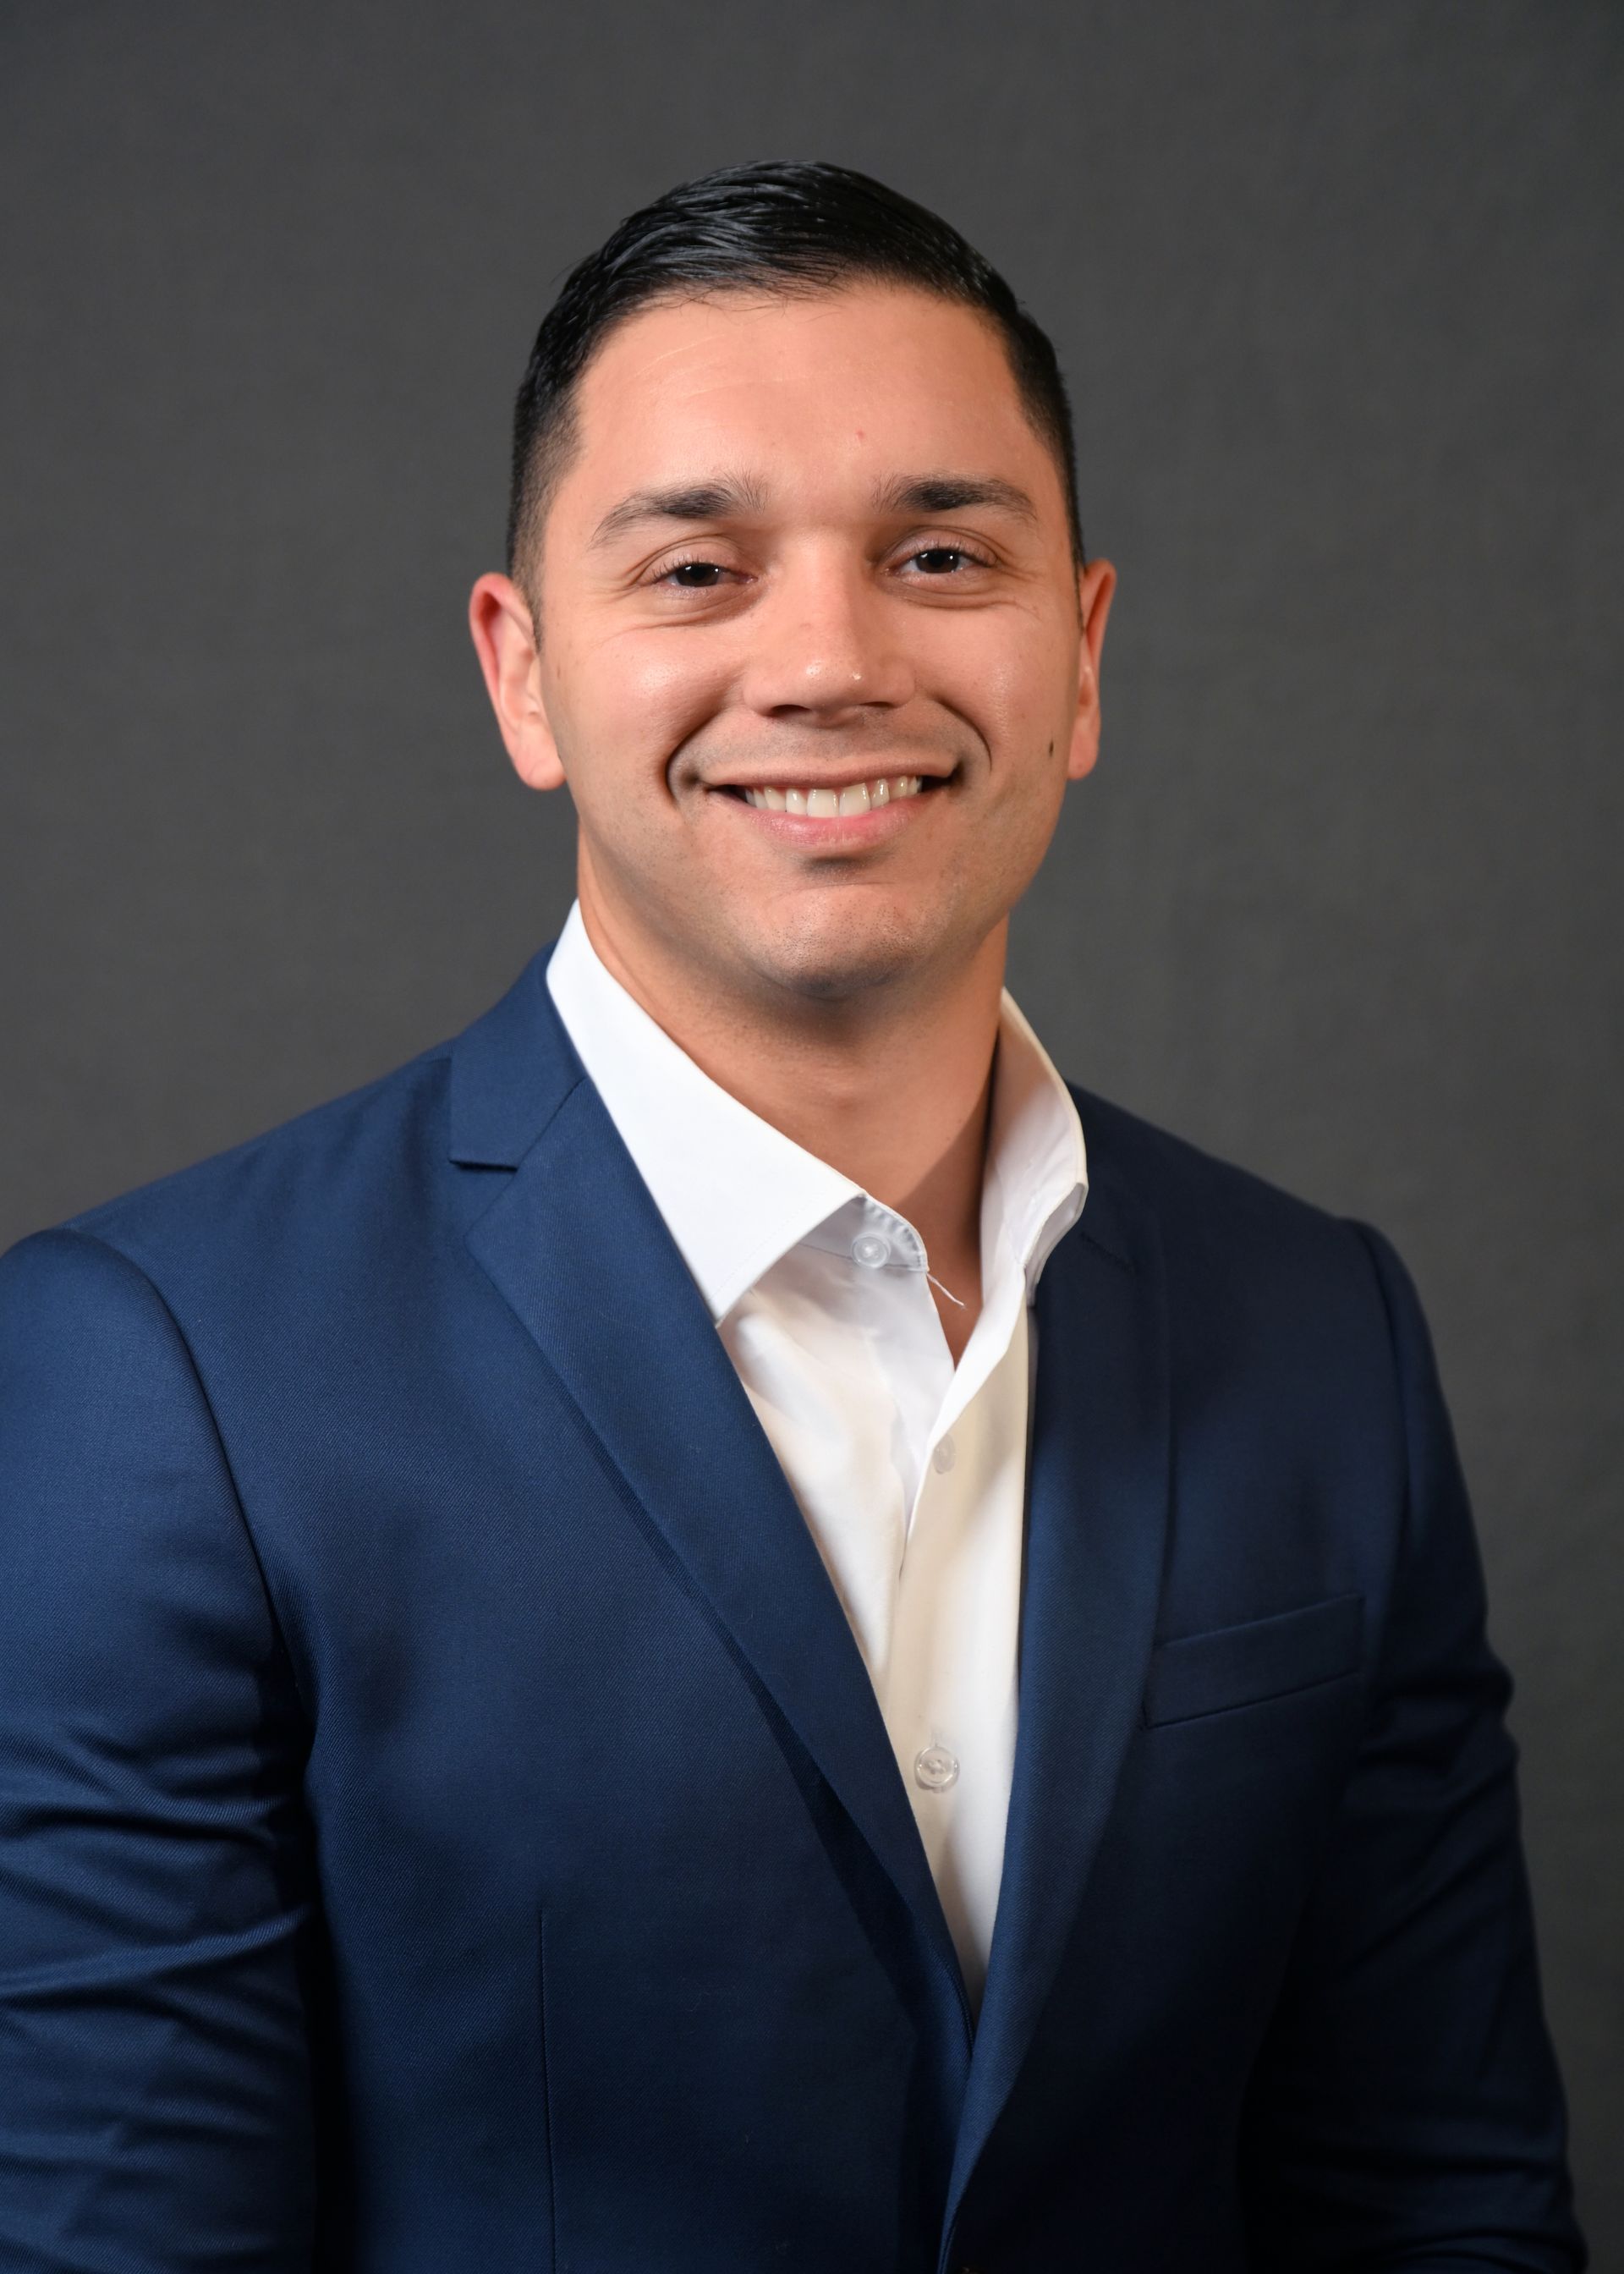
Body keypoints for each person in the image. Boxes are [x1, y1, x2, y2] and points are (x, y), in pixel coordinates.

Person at [0, 159, 1584, 2274]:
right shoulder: (150, 1376)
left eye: (941, 552)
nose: (830, 658)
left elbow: (1438, 2205)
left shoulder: (1325, 1334)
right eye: (696, 571)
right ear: (526, 675)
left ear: (1081, 655)